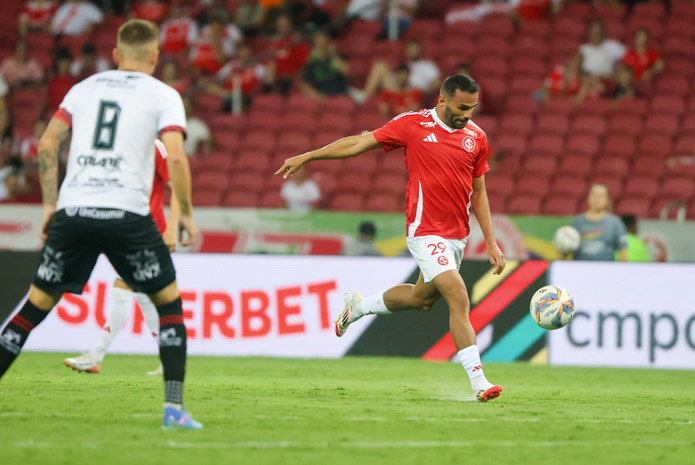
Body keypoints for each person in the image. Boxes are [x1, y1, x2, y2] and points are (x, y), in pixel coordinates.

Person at [0, 19, 202, 429]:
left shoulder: (83, 88)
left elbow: (47, 143)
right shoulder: (164, 94)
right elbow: (177, 157)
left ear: (114, 54)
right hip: (127, 215)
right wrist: (186, 213)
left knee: (34, 307)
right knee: (168, 304)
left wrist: (49, 206)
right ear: (155, 56)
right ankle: (173, 409)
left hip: (74, 211)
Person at [276, 74, 506, 402]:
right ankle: (479, 382)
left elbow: (479, 191)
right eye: (461, 108)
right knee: (458, 296)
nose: (467, 115)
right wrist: (309, 156)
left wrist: (491, 241)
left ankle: (358, 306)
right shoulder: (412, 124)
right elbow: (358, 143)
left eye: (472, 108)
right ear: (442, 100)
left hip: (457, 237)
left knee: (421, 299)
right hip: (424, 231)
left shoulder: (477, 137)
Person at [64, 140, 179, 375]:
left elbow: (177, 186)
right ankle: (169, 359)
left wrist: (172, 227)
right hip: (126, 230)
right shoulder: (119, 147)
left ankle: (96, 356)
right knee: (143, 295)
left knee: (123, 287)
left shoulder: (155, 147)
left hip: (149, 230)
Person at [352, 40, 440, 103]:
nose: (412, 51)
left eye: (414, 48)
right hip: (399, 88)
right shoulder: (406, 65)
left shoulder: (428, 65)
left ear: (419, 50)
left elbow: (437, 83)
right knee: (380, 66)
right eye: (410, 49)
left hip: (414, 92)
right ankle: (364, 96)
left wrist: (422, 93)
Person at [571, 184, 627, 261]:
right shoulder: (577, 222)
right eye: (594, 195)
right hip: (581, 267)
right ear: (588, 198)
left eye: (601, 196)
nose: (596, 199)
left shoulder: (615, 223)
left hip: (606, 268)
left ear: (607, 200)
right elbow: (569, 251)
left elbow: (623, 252)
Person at [301, 32, 349, 99]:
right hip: (323, 96)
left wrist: (333, 56)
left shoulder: (336, 57)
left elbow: (346, 72)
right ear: (315, 47)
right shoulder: (312, 63)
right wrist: (317, 96)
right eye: (319, 45)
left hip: (341, 94)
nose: (322, 47)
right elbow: (305, 85)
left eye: (324, 44)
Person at [45, 48, 78, 113]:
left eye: (67, 62)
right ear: (58, 64)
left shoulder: (75, 82)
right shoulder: (52, 82)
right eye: (63, 62)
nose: (65, 65)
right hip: (53, 114)